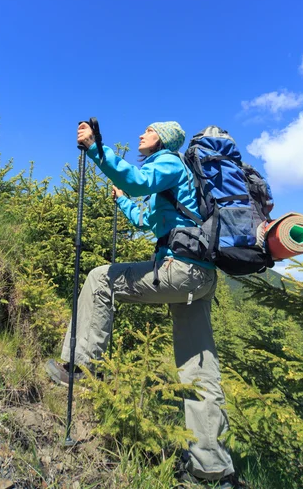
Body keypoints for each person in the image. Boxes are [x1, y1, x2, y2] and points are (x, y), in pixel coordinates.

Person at [47, 121, 235, 487]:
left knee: (100, 279)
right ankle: (211, 468)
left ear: (163, 138)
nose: (141, 135)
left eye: (148, 130)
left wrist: (96, 148)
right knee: (199, 366)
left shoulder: (168, 162)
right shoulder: (178, 176)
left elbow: (135, 179)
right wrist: (123, 202)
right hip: (201, 276)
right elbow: (151, 220)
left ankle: (81, 365)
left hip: (178, 269)